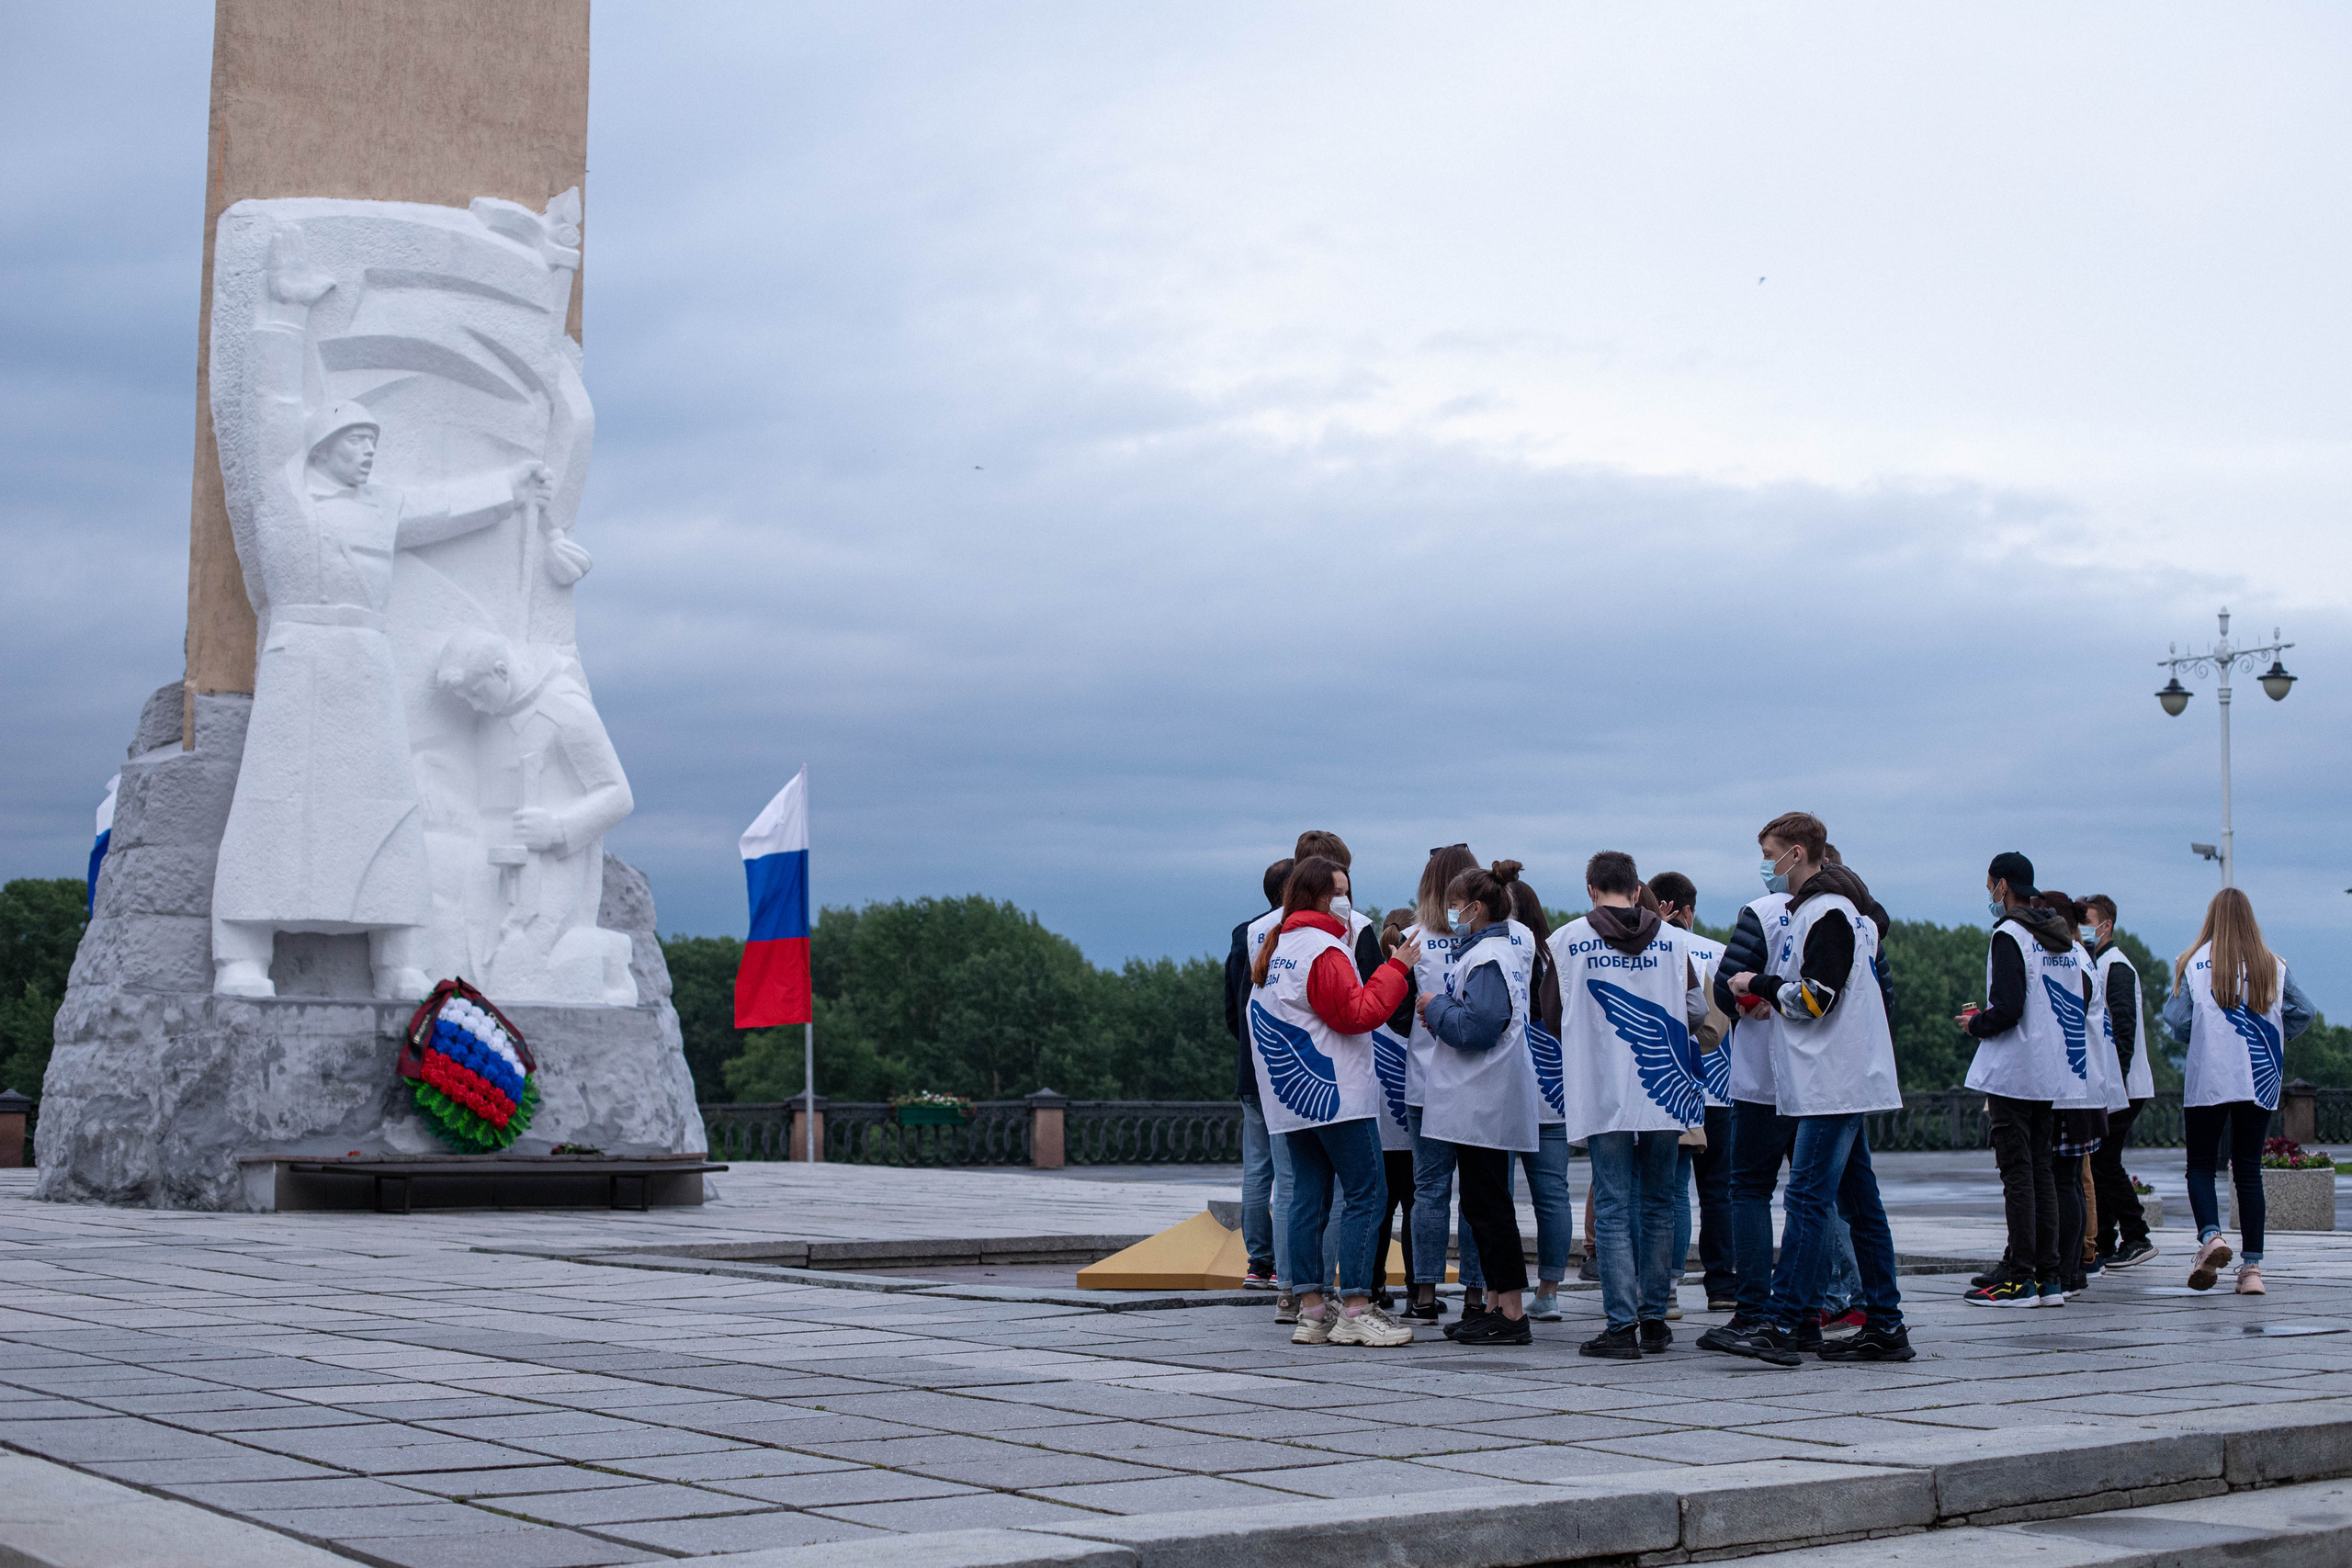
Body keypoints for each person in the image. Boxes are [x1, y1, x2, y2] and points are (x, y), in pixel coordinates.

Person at [1708, 814, 1911, 1366]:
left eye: (1770, 853)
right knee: (1859, 1206)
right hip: (1840, 1079)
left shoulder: (1827, 914)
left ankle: (1780, 1323)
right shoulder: (1842, 915)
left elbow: (1818, 997)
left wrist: (1760, 984)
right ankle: (1886, 1324)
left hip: (1831, 1082)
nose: (1766, 864)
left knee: (1807, 1199)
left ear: (1796, 854)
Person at [1247, 855, 1416, 1346]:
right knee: (1367, 1194)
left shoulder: (1279, 948)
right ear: (1323, 896)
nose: (1348, 900)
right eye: (1342, 890)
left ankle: (1312, 1309)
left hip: (1292, 1101)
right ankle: (1358, 1308)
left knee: (1306, 1199)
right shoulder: (1324, 950)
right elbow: (1357, 1014)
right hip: (1338, 1097)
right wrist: (1396, 969)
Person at [1545, 851, 1702, 1359]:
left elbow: (1549, 1014)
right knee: (1659, 1203)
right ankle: (1655, 1320)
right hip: (1662, 1091)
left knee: (1613, 1207)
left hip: (1602, 1086)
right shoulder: (1676, 942)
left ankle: (1619, 1327)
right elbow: (1698, 1010)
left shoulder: (1567, 941)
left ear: (1591, 890)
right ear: (1637, 891)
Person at [2164, 887, 2316, 1296]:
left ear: (2212, 918)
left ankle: (2211, 1238)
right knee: (2247, 1170)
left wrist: (2205, 1039)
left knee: (2200, 1165)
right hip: (2258, 1080)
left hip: (2208, 1079)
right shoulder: (2273, 964)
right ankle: (2252, 1272)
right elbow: (2304, 1012)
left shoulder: (2193, 963)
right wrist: (2278, 1038)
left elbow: (2176, 1021)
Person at [1419, 861, 1543, 1346]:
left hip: (1483, 1100)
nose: (1450, 913)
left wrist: (1436, 1007)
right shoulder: (1491, 952)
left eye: (1455, 905)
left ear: (1476, 908)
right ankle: (1492, 1303)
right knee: (1482, 1203)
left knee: (1488, 1207)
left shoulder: (1487, 957)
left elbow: (1478, 1028)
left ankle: (1510, 1312)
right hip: (1483, 1100)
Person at [1958, 852, 2088, 1308]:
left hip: (2016, 1072)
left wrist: (1976, 1024)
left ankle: (2019, 1277)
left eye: (1989, 886)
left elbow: (2009, 1009)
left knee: (2018, 1175)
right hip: (2052, 1069)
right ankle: (2050, 1277)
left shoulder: (2010, 934)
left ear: (2001, 885)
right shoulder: (2063, 940)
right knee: (2042, 1173)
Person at [1698, 848, 1798, 1352]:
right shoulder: (1858, 917)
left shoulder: (1763, 912)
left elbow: (1724, 985)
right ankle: (1818, 1304)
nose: (1766, 864)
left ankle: (1753, 1308)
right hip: (1824, 1082)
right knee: (1821, 1197)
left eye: (1768, 855)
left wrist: (1749, 996)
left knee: (1751, 1190)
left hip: (1763, 1078)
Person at [1402, 843, 1486, 1323]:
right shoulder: (1492, 939)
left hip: (1425, 1079)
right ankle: (1475, 1294)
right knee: (1475, 1190)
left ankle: (1426, 1295)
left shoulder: (1414, 939)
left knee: (1429, 1189)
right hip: (1475, 1079)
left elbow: (1396, 1013)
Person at [1652, 872, 1734, 1314]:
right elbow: (1723, 1022)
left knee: (1673, 1189)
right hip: (1719, 1088)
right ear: (1687, 910)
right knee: (1719, 1191)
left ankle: (1667, 1285)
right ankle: (1723, 1286)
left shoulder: (1654, 949)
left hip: (1674, 1088)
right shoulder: (1716, 953)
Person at [1503, 878, 1577, 1322]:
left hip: (1507, 1088)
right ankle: (1548, 1290)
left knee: (1498, 1193)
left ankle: (1496, 1289)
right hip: (1555, 1088)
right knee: (1553, 1194)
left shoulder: (1498, 952)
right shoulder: (1555, 956)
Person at [2035, 889, 2109, 1300]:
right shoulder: (2084, 958)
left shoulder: (2073, 961)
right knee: (2071, 1182)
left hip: (2071, 1088)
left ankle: (2066, 1269)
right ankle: (2073, 1267)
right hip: (2085, 1088)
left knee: (2064, 1181)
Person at [1225, 858, 1293, 1292]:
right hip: (1287, 1074)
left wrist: (1251, 1047)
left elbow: (1233, 1008)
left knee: (1257, 1170)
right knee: (1289, 1173)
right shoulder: (1297, 933)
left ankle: (1258, 1263)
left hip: (1252, 1069)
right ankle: (1290, 1267)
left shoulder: (1242, 933)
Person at [2082, 895, 2158, 1269]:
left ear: (2106, 925)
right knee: (2101, 1163)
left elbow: (2123, 1029)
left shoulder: (2116, 967)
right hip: (2117, 1085)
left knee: (2104, 1163)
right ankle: (2109, 1242)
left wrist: (2117, 1085)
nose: (2083, 929)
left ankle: (2136, 1234)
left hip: (2124, 1086)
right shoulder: (2099, 964)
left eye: (2089, 921)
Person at [1367, 910, 1419, 1305]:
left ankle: (1374, 1286)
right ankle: (1422, 1289)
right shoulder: (1421, 995)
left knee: (1378, 1215)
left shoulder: (1373, 992)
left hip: (1379, 1127)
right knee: (1419, 1211)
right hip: (1418, 1126)